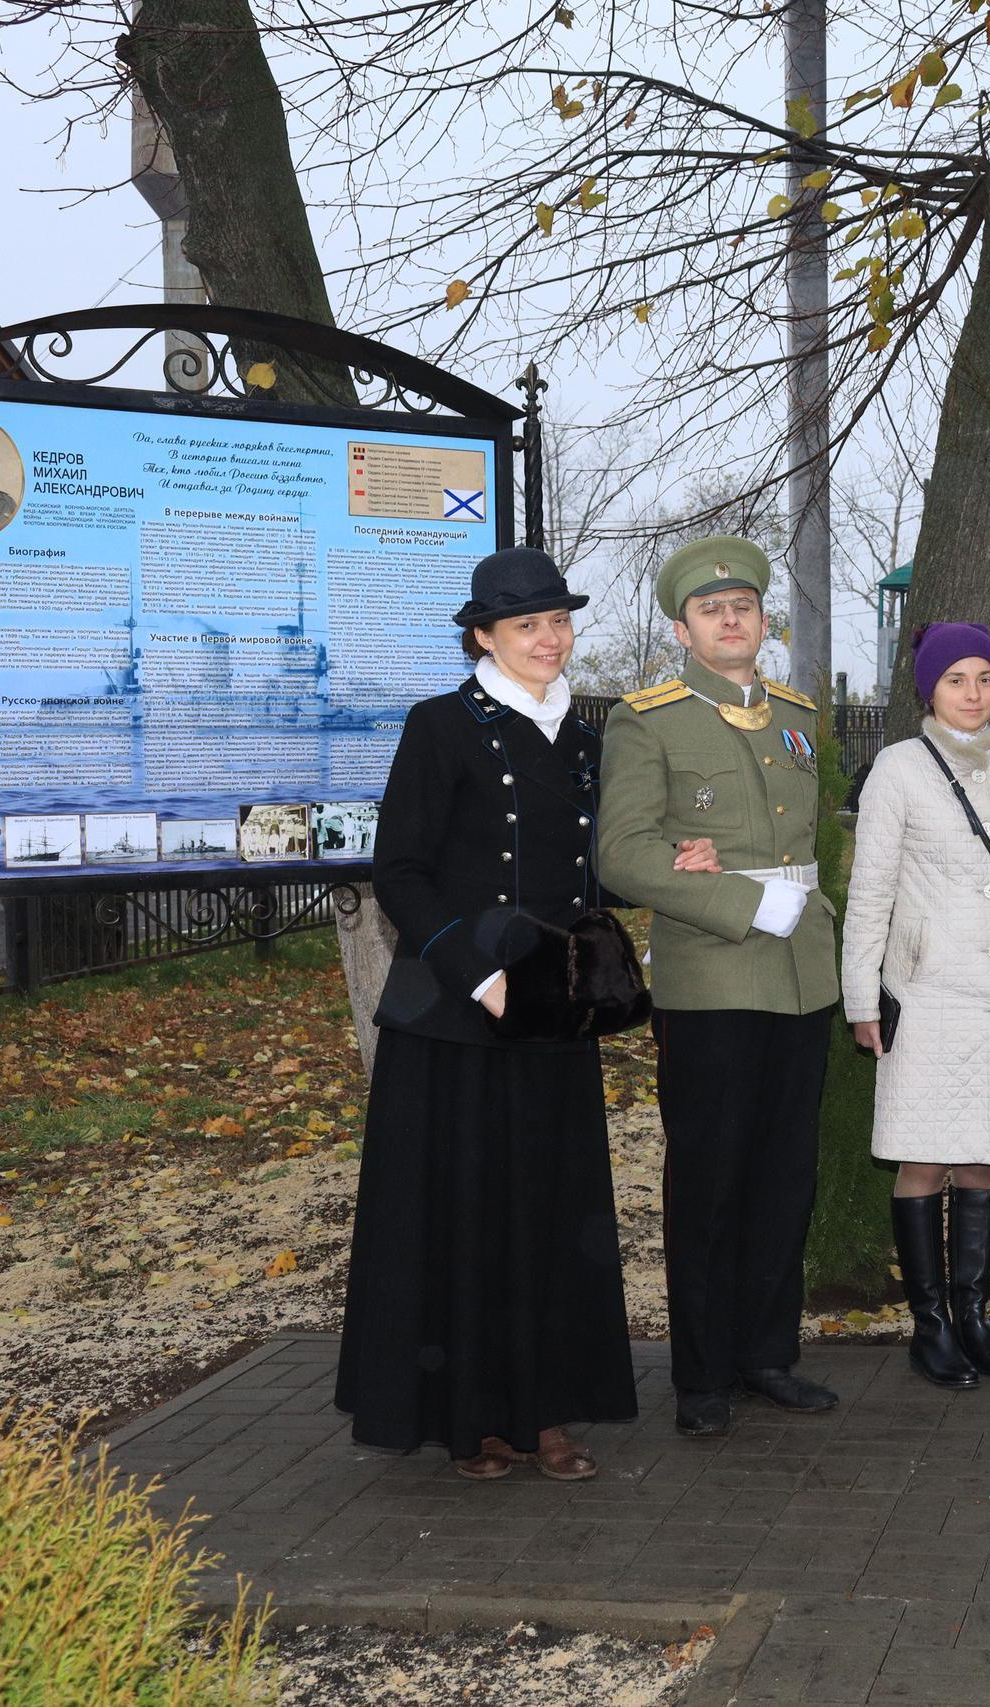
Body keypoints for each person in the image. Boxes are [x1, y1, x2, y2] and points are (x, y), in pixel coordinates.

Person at [334, 547, 637, 1481]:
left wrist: (669, 865)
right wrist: (478, 976)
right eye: (526, 625)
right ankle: (476, 1419)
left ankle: (547, 1411)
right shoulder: (440, 725)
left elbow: (590, 871)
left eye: (559, 621)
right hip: (456, 1017)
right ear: (483, 637)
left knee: (552, 1213)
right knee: (467, 1218)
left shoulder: (585, 740)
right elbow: (400, 871)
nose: (550, 639)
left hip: (552, 1014)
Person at [595, 536, 838, 1439]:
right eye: (711, 609)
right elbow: (621, 852)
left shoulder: (798, 714)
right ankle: (700, 1372)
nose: (731, 619)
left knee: (785, 1174)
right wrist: (735, 896)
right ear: (682, 629)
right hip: (712, 973)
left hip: (802, 971)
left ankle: (767, 1353)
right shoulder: (648, 720)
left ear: (763, 620)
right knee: (709, 1176)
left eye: (743, 605)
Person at [840, 623, 990, 1389]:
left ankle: (974, 1317)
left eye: (985, 678)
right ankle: (929, 1325)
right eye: (956, 680)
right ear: (929, 690)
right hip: (930, 990)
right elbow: (870, 889)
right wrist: (862, 996)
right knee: (924, 1156)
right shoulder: (899, 768)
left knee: (983, 1155)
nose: (973, 693)